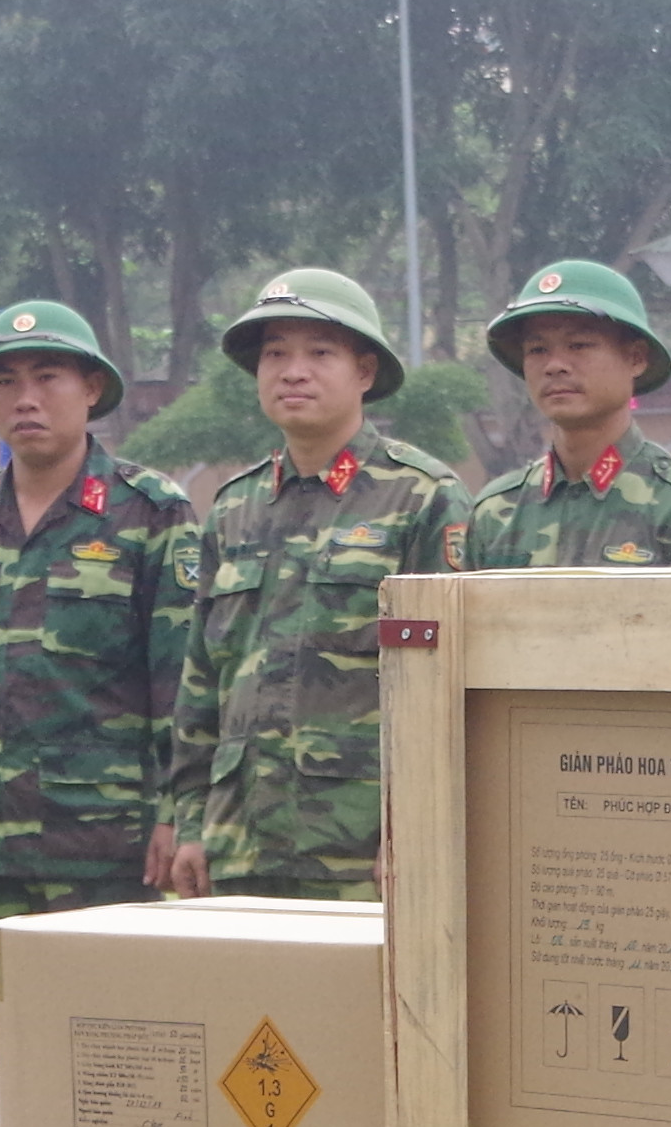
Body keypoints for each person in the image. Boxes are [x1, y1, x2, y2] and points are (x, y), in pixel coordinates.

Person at [0, 297, 196, 1071]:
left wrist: (178, 813)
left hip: (101, 845)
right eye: (4, 382)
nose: (25, 398)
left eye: (47, 376)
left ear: (92, 388)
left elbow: (180, 681)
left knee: (111, 1063)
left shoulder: (150, 512)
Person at [158, 268, 455, 898]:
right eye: (275, 355)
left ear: (365, 372)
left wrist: (418, 830)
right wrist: (190, 821)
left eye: (320, 353)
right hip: (238, 845)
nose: (293, 372)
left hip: (363, 852)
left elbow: (451, 685)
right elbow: (202, 681)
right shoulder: (233, 508)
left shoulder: (421, 498)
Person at [454, 257, 671, 571]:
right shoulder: (496, 513)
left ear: (635, 358)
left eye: (579, 345)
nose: (554, 365)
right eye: (537, 350)